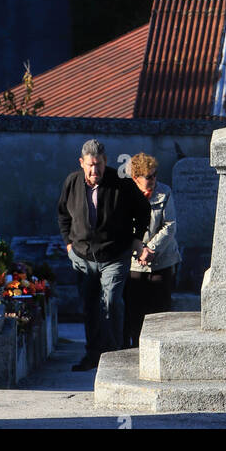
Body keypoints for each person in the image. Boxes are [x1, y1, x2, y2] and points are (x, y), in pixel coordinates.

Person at [57, 139, 151, 371]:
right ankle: (92, 354)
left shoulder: (121, 183)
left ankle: (114, 355)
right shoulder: (72, 182)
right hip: (82, 255)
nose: (94, 170)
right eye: (90, 165)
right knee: (89, 305)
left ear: (105, 162)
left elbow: (143, 210)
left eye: (98, 164)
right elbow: (62, 214)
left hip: (114, 254)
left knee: (111, 302)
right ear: (82, 163)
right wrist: (68, 244)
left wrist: (137, 239)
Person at [122, 153, 181, 349]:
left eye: (155, 175)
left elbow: (169, 225)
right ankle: (137, 346)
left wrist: (151, 249)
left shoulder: (165, 192)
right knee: (135, 309)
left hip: (162, 259)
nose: (153, 180)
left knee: (160, 307)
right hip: (135, 262)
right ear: (136, 178)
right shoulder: (125, 195)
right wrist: (139, 249)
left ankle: (160, 347)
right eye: (148, 176)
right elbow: (122, 227)